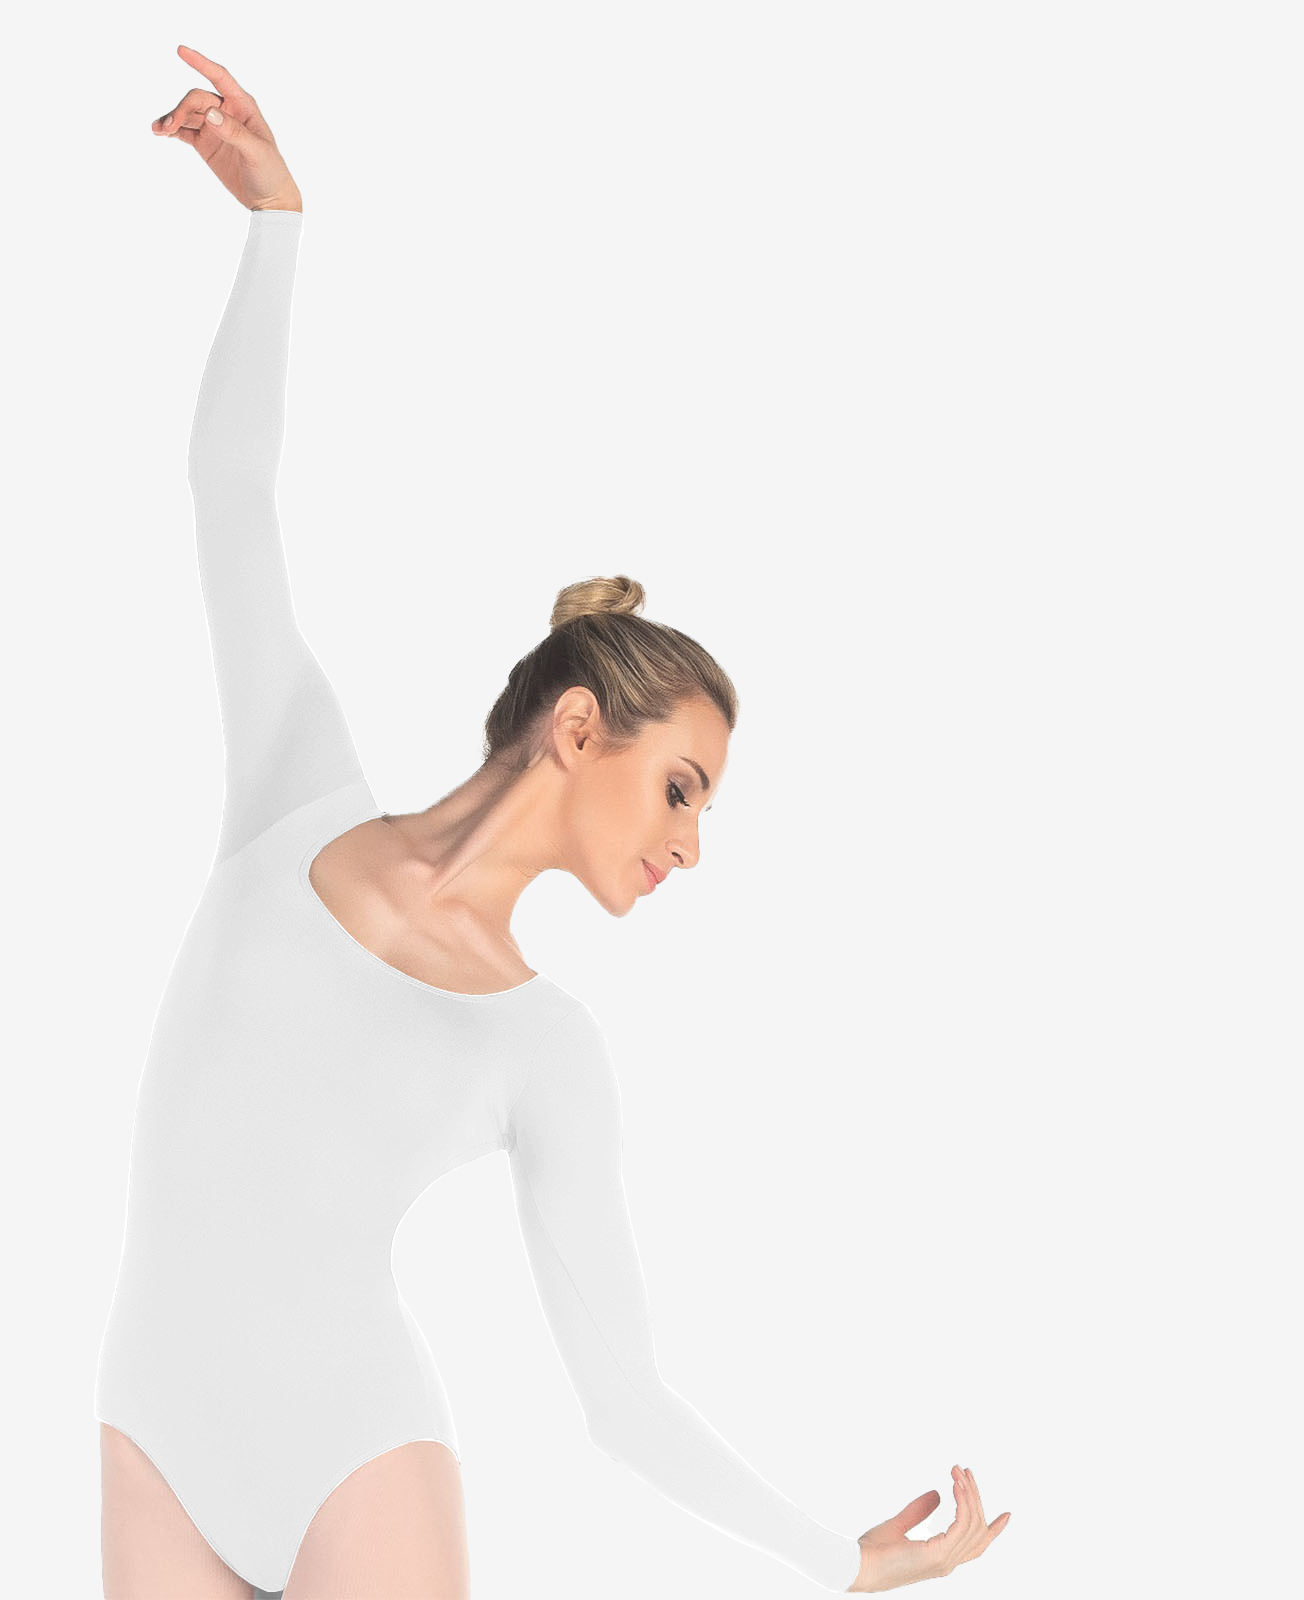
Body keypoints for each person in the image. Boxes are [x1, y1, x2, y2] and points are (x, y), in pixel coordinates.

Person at [95, 44, 1010, 1600]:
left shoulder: (543, 1049)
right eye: (682, 787)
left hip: (353, 1466)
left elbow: (621, 1400)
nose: (691, 844)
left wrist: (834, 1560)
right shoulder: (291, 791)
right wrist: (277, 227)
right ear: (578, 729)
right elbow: (225, 489)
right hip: (148, 1436)